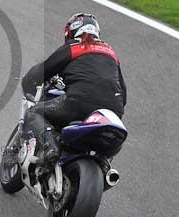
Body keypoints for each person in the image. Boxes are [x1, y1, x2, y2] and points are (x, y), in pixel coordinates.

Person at [21, 13, 127, 169]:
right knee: (114, 132)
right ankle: (104, 165)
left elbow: (41, 72)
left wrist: (28, 82)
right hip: (114, 110)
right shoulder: (111, 53)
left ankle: (51, 147)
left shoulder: (75, 46)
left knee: (34, 113)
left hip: (79, 102)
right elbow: (123, 93)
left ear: (70, 32)